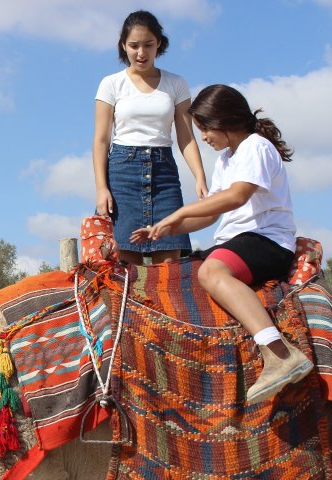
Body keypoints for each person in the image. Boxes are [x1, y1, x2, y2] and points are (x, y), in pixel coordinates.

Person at [130, 84, 312, 403]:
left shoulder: (256, 146)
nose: (203, 137)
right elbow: (211, 214)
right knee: (174, 276)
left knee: (211, 273)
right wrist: (166, 226)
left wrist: (181, 211)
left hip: (267, 241)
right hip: (238, 240)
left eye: (204, 128)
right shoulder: (227, 158)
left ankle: (279, 353)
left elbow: (236, 196)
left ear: (223, 121)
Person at [93, 10, 207, 265]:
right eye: (134, 46)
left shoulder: (176, 84)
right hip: (122, 173)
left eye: (148, 45)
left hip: (164, 174)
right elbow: (101, 140)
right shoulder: (111, 84)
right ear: (124, 46)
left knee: (169, 263)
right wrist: (102, 188)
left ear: (159, 45)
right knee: (123, 267)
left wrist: (199, 176)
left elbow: (186, 137)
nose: (141, 53)